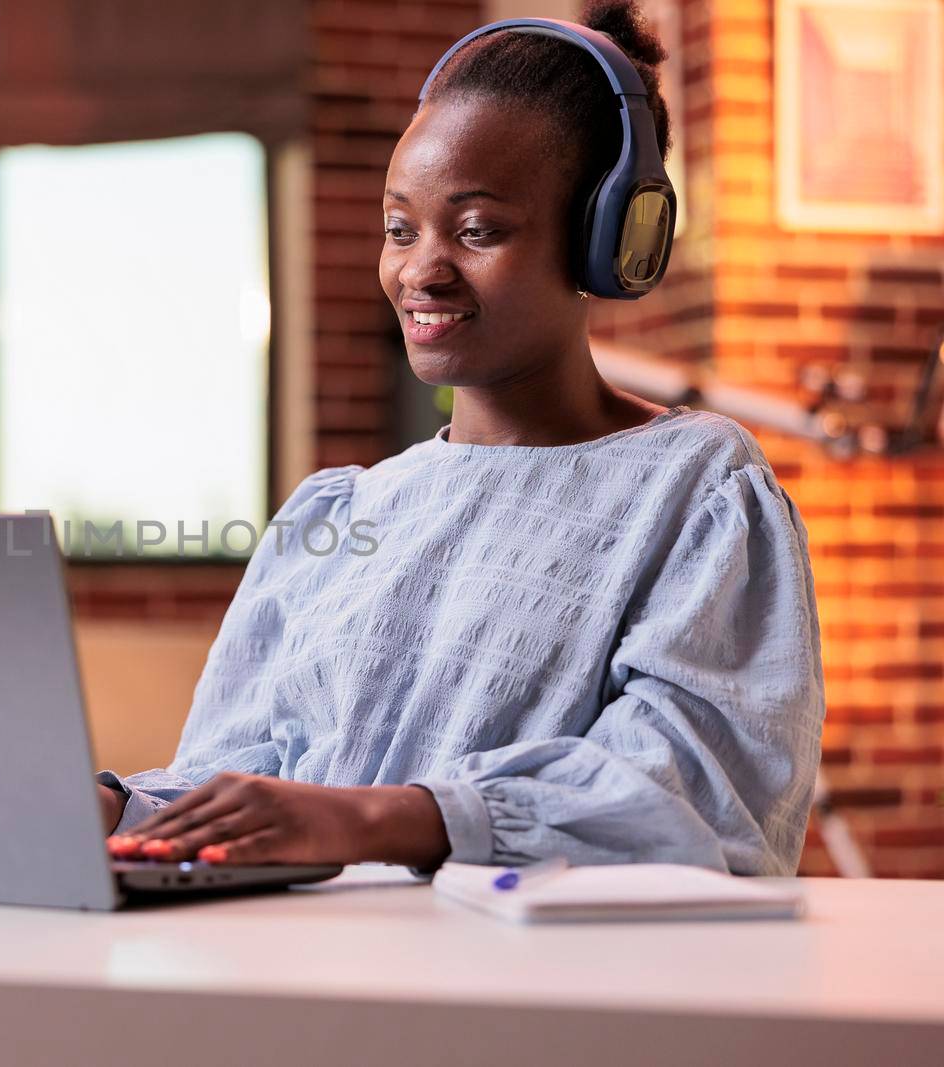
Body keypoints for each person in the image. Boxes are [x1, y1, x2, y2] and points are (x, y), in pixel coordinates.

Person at [93, 0, 825, 876]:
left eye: (477, 230)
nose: (420, 269)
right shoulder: (337, 511)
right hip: (306, 981)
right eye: (401, 229)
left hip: (532, 992)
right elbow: (240, 787)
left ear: (607, 241)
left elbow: (700, 794)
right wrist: (119, 805)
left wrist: (375, 819)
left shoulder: (697, 490)